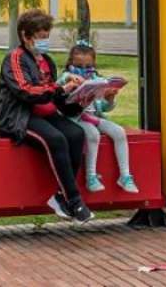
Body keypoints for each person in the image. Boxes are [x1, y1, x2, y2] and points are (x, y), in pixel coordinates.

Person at [0, 9, 94, 223]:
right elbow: (25, 91)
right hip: (20, 117)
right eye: (41, 38)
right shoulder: (15, 58)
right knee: (56, 139)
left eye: (46, 37)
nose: (44, 42)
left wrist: (82, 96)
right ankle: (75, 201)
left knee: (77, 134)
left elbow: (55, 97)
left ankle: (61, 196)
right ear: (25, 36)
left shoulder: (46, 61)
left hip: (46, 114)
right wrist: (59, 90)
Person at [58, 41, 139, 194]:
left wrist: (109, 98)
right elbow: (59, 84)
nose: (84, 70)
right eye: (79, 66)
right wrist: (70, 77)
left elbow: (103, 108)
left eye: (88, 66)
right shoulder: (67, 78)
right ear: (70, 64)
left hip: (94, 116)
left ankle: (125, 175)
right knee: (93, 134)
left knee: (119, 132)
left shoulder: (96, 79)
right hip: (77, 119)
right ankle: (91, 176)